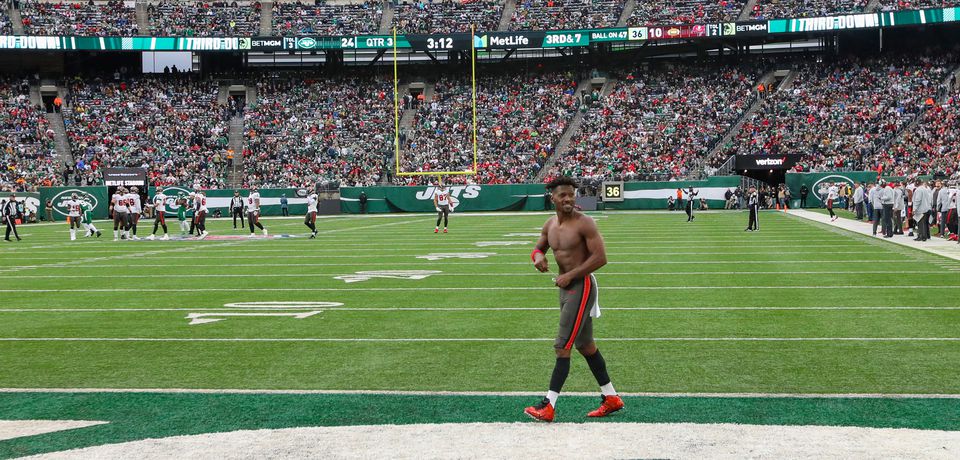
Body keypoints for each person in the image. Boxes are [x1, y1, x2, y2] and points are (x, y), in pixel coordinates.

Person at [524, 176, 622, 423]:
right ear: (553, 198)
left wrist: (570, 275)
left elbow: (601, 258)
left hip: (581, 286)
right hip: (566, 288)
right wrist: (537, 259)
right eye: (562, 195)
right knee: (585, 345)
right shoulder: (550, 225)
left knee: (562, 346)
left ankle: (548, 405)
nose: (568, 199)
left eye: (571, 194)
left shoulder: (584, 223)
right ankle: (611, 398)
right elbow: (538, 249)